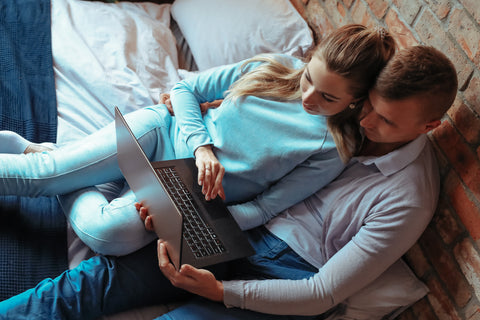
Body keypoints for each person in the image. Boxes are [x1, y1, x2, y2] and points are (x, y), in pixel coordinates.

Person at [0, 45, 458, 319]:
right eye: (368, 107)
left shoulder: (407, 199)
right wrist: (183, 215)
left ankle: (68, 170)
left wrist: (220, 292)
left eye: (388, 120)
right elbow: (229, 110)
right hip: (224, 230)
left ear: (430, 126)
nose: (369, 123)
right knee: (89, 283)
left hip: (283, 272)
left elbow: (322, 294)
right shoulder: (343, 121)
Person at [0, 24, 395, 256]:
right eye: (309, 78)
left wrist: (187, 220)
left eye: (328, 98)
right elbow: (186, 90)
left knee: (107, 236)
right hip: (162, 133)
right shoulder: (273, 67)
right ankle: (58, 164)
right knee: (38, 177)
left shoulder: (332, 150)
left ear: (356, 100)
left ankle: (71, 165)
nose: (307, 98)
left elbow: (264, 208)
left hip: (182, 194)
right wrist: (201, 146)